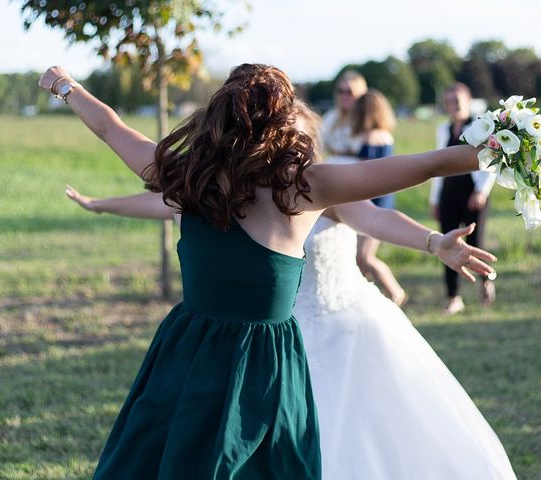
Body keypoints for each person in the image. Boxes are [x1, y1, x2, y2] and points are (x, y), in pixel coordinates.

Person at [39, 63, 495, 479]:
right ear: (283, 123)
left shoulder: (181, 175)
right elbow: (425, 164)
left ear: (220, 117)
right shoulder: (306, 188)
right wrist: (502, 147)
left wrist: (65, 86)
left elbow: (108, 126)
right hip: (266, 359)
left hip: (189, 346)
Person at [429, 82, 497, 315]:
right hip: (449, 193)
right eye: (449, 101)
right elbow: (436, 165)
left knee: (475, 242)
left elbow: (491, 161)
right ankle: (453, 297)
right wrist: (434, 199)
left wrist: (482, 192)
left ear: (468, 101)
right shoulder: (443, 129)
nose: (453, 105)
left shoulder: (481, 126)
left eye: (457, 100)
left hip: (473, 193)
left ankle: (486, 282)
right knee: (446, 243)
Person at [350, 89, 407, 305]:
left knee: (363, 256)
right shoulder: (385, 135)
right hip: (384, 198)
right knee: (362, 257)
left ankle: (395, 291)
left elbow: (364, 171)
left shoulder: (370, 137)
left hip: (372, 200)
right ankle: (365, 297)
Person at [320, 70, 367, 163]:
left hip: (358, 170)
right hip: (332, 168)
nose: (344, 96)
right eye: (340, 91)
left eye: (349, 92)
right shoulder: (330, 117)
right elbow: (318, 143)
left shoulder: (366, 119)